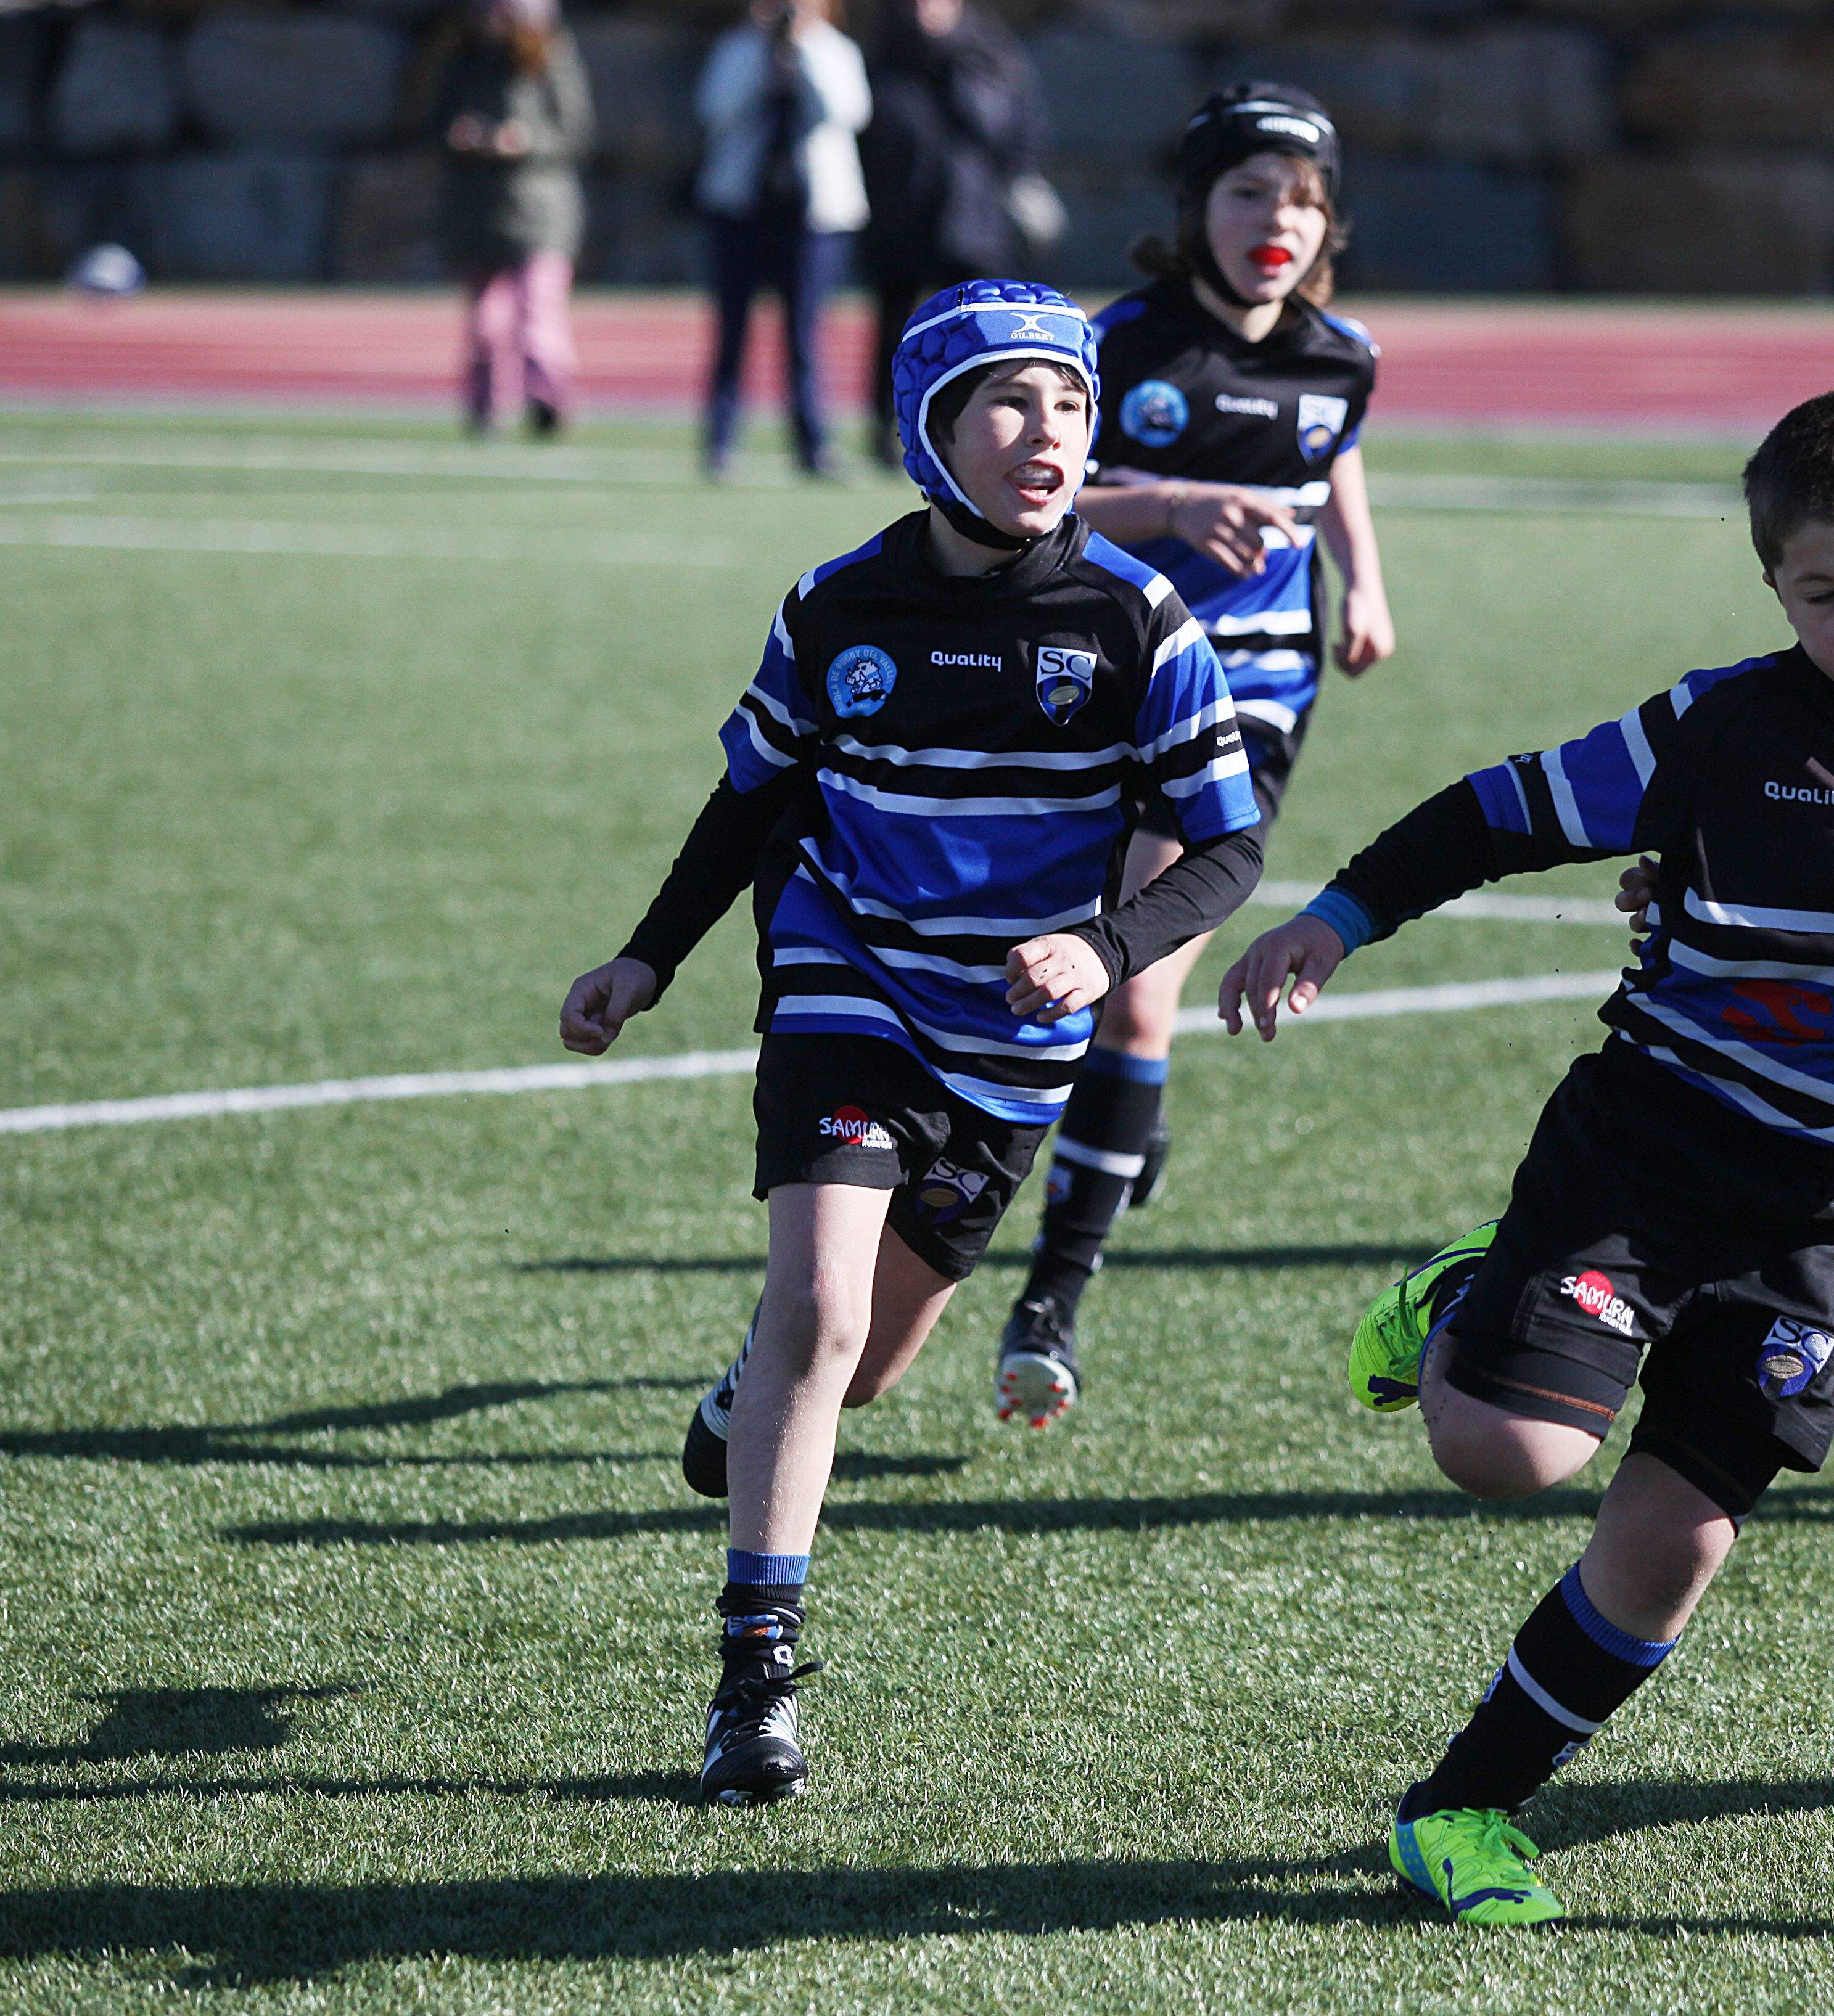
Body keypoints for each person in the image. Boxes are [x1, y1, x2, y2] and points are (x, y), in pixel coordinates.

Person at [1216, 388, 1834, 1927]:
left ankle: (1461, 1808)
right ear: (1778, 594)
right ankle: (1483, 1298)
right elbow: (1500, 811)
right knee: (1508, 1455)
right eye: (1822, 594)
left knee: (1676, 1541)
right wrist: (1332, 918)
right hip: (1652, 1150)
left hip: (1830, 1209)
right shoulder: (1725, 730)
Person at [556, 282, 1262, 1804]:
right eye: (1010, 404)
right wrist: (646, 956)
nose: (1050, 436)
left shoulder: (1138, 620)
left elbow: (1229, 846)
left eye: (1072, 405)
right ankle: (755, 1681)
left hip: (1010, 1047)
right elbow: (753, 800)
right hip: (847, 978)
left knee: (859, 1369)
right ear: (932, 431)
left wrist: (1110, 945)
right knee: (813, 1309)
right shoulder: (836, 609)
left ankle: (740, 1406)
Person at [987, 84, 1391, 1427]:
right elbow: (1034, 500)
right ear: (1193, 211)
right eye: (1245, 192)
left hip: (1249, 707)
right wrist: (1163, 502)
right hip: (1104, 688)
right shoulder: (1117, 347)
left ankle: (1049, 1305)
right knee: (1101, 989)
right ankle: (1126, 1128)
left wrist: (1366, 584)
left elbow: (1333, 463)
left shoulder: (1343, 356)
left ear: (1327, 223)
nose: (1273, 221)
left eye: (1300, 198)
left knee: (1137, 991)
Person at [858, 0, 1056, 469]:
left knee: (979, 334)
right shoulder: (884, 58)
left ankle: (978, 432)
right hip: (901, 217)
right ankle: (888, 430)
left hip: (974, 219)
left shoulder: (987, 52)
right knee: (894, 331)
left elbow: (1016, 129)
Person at [696, 0, 870, 477]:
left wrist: (803, 53)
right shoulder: (738, 48)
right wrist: (763, 58)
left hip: (812, 215)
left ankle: (813, 444)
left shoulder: (834, 50)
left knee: (805, 334)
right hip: (742, 208)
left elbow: (845, 112)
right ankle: (720, 439)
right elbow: (715, 108)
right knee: (732, 331)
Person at [433, 0, 594, 439]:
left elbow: (575, 131)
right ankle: (488, 408)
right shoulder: (465, 61)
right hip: (480, 212)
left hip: (539, 211)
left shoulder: (550, 57)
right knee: (485, 322)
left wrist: (523, 141)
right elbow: (435, 122)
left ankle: (548, 402)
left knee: (536, 316)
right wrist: (460, 138)